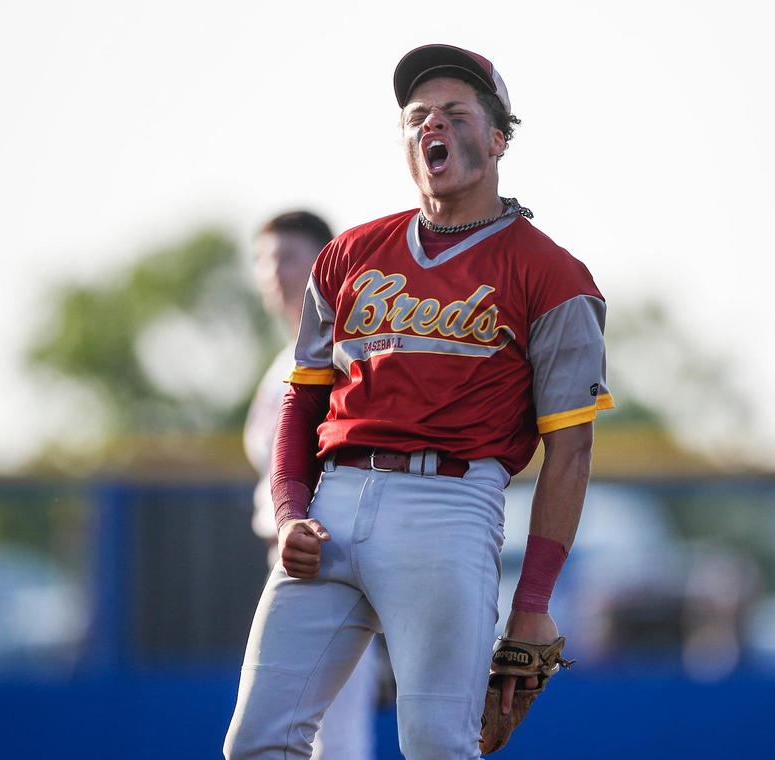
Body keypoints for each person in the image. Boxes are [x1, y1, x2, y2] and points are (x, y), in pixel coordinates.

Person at [225, 44, 614, 759]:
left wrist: (532, 605)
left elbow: (572, 449)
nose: (432, 124)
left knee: (437, 744)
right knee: (256, 741)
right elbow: (302, 405)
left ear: (498, 138)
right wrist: (288, 512)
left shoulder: (553, 275)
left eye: (455, 112)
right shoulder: (347, 257)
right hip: (333, 506)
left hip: (450, 506)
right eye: (418, 116)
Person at [242, 211, 385, 760]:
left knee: (331, 737)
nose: (273, 274)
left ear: (324, 267)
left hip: (327, 562)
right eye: (263, 260)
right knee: (301, 732)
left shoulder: (343, 355)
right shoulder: (285, 361)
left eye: (288, 258)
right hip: (293, 561)